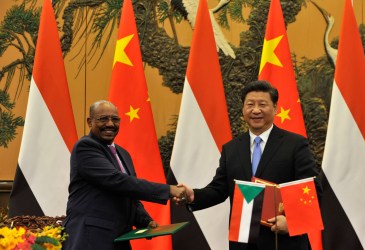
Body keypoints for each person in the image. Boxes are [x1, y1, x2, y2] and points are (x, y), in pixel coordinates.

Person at [177, 80, 322, 250]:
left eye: (262, 104)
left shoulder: (295, 144)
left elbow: (311, 189)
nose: (256, 110)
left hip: (282, 240)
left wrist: (291, 221)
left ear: (275, 108)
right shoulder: (231, 149)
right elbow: (219, 189)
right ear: (243, 110)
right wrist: (194, 195)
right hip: (243, 242)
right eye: (250, 104)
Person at [63, 100, 185, 250]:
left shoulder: (123, 154)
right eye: (103, 119)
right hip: (90, 238)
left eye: (115, 119)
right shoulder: (85, 147)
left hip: (119, 239)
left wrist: (145, 221)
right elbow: (117, 181)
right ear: (90, 121)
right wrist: (169, 190)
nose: (110, 124)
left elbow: (128, 192)